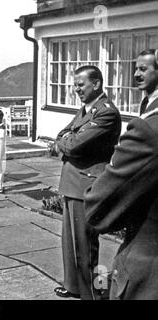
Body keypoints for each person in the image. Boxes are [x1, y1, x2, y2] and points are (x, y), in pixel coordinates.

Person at [84, 49, 158, 300]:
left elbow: (98, 208)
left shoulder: (148, 127)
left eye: (144, 68)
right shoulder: (147, 109)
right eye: (135, 68)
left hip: (148, 269)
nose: (136, 74)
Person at [54, 65, 122, 300]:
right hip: (73, 183)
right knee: (70, 244)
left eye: (81, 85)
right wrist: (65, 140)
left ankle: (93, 292)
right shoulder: (86, 110)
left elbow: (71, 144)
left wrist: (65, 142)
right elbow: (63, 135)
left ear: (96, 84)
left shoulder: (106, 112)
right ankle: (74, 286)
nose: (76, 89)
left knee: (86, 248)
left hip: (87, 186)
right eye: (75, 85)